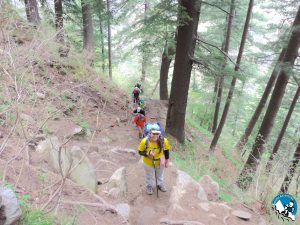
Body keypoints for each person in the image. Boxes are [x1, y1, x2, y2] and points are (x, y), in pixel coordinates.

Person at [138, 124, 170, 195]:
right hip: (148, 161)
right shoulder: (144, 141)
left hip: (160, 160)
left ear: (159, 134)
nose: (155, 135)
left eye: (157, 133)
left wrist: (167, 161)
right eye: (154, 133)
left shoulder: (164, 141)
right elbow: (140, 151)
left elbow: (166, 151)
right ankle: (149, 186)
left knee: (160, 174)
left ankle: (159, 184)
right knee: (149, 175)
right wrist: (148, 153)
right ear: (150, 133)